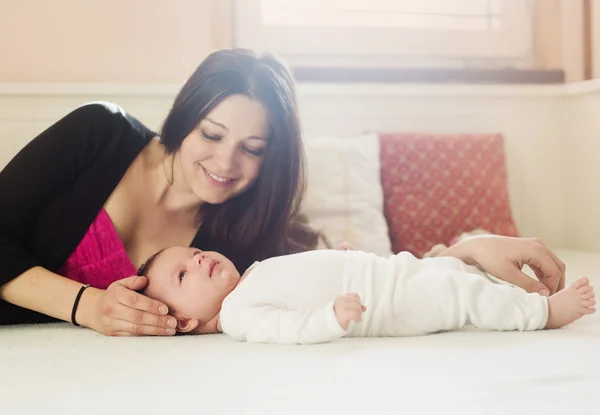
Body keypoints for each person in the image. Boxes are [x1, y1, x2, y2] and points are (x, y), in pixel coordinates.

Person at [0, 49, 568, 337]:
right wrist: (86, 306)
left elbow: (365, 281)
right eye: (212, 135)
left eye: (253, 148)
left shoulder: (241, 240)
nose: (226, 163)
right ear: (184, 117)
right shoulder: (97, 133)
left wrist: (466, 252)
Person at [137, 246, 595, 344]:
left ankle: (516, 294)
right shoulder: (237, 314)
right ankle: (541, 314)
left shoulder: (251, 274)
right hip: (386, 305)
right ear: (183, 322)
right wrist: (328, 319)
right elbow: (284, 329)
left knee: (453, 271)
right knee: (459, 292)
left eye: (194, 253)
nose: (197, 261)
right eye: (183, 275)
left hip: (389, 271)